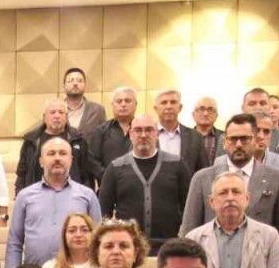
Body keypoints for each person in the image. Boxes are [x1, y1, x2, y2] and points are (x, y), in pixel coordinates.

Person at [182, 113, 279, 268]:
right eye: (233, 139)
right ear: (224, 142)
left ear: (255, 140)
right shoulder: (202, 179)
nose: (238, 144)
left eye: (244, 139)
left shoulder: (277, 179)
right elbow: (189, 230)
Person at [182, 172, 279, 268]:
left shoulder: (269, 236)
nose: (230, 198)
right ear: (212, 202)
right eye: (223, 193)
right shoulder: (194, 238)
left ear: (247, 198)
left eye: (236, 192)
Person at [97, 113, 191, 251]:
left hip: (170, 246)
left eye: (149, 130)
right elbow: (104, 212)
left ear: (157, 133)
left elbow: (188, 206)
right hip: (129, 248)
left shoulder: (177, 165)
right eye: (138, 130)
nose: (143, 135)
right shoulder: (115, 168)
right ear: (130, 134)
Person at [5, 137, 102, 268]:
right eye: (51, 153)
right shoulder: (25, 196)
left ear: (71, 160)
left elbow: (98, 239)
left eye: (63, 153)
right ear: (40, 161)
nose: (57, 158)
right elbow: (15, 241)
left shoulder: (87, 195)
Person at [15, 98, 97, 192]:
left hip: (71, 195)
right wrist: (20, 195)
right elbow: (21, 173)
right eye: (52, 112)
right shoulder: (31, 140)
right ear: (44, 117)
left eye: (61, 112)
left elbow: (87, 175)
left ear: (66, 117)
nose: (57, 116)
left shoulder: (78, 140)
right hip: (37, 195)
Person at [152, 89, 210, 175]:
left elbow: (204, 172)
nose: (169, 106)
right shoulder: (146, 135)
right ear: (156, 109)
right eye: (164, 102)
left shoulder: (195, 137)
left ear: (180, 107)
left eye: (173, 102)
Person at [88, 86, 138, 172]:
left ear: (136, 104)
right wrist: (108, 177)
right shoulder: (101, 131)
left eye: (127, 101)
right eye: (119, 101)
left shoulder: (143, 130)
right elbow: (93, 160)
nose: (123, 104)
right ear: (112, 105)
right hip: (107, 179)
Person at [242, 87, 279, 161]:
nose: (258, 107)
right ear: (243, 108)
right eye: (252, 103)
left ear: (269, 107)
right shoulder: (230, 136)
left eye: (262, 103)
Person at [63, 67, 107, 139]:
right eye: (70, 80)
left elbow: (104, 137)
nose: (75, 83)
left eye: (79, 81)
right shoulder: (55, 110)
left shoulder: (97, 110)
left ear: (85, 85)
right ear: (64, 85)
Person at [191, 97, 222, 166]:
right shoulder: (183, 137)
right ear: (193, 115)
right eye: (201, 109)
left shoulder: (225, 137)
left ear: (216, 116)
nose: (205, 113)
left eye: (210, 109)